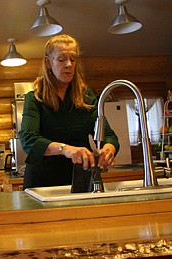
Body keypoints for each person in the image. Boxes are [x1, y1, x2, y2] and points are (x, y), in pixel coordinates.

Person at [19, 34, 119, 189]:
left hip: (80, 179)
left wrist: (108, 150)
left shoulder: (86, 97)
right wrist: (65, 149)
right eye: (61, 59)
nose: (68, 64)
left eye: (73, 59)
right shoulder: (35, 99)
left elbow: (109, 135)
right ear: (48, 62)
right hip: (42, 183)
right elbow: (28, 140)